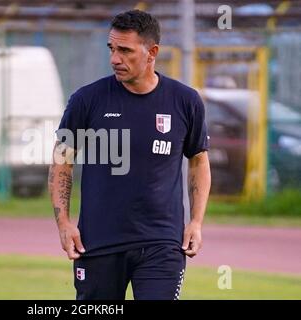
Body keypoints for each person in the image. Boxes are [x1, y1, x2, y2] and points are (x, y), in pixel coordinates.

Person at [48, 9, 211, 300]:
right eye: (111, 49)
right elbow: (62, 161)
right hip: (97, 244)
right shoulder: (87, 100)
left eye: (125, 50)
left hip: (162, 244)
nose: (114, 59)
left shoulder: (185, 101)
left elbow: (198, 161)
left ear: (152, 52)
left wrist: (196, 222)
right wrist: (64, 223)